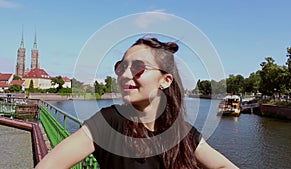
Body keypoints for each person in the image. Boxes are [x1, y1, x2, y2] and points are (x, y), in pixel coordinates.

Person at [35, 37, 239, 169]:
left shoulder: (182, 132)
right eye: (121, 67)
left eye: (138, 67)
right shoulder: (108, 122)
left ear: (165, 81)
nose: (124, 75)